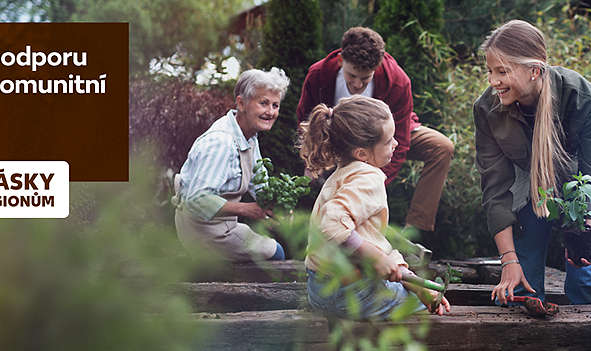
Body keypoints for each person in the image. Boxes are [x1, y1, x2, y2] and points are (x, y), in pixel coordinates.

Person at [474, 20, 591, 305]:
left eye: (502, 71)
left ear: (534, 71)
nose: (493, 81)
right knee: (520, 291)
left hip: (583, 190)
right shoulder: (487, 109)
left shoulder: (580, 97)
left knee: (587, 285)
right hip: (528, 189)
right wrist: (509, 261)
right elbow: (495, 190)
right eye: (490, 71)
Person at [297, 27, 454, 246]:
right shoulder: (319, 74)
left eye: (365, 78)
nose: (357, 85)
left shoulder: (398, 81)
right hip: (340, 137)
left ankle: (414, 232)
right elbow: (307, 120)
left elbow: (400, 142)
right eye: (352, 76)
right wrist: (313, 162)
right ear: (341, 59)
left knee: (442, 147)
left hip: (387, 136)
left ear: (377, 67)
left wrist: (373, 182)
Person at [300, 95, 451, 320]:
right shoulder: (368, 177)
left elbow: (370, 240)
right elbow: (332, 225)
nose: (396, 144)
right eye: (389, 141)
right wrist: (376, 258)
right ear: (362, 153)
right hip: (349, 294)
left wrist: (411, 279)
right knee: (420, 307)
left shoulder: (342, 175)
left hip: (319, 289)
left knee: (413, 290)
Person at [173, 68, 289, 262]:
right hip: (204, 231)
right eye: (263, 103)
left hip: (223, 226)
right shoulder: (221, 142)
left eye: (275, 105)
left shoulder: (249, 137)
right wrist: (247, 209)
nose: (270, 112)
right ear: (241, 103)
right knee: (276, 253)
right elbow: (197, 200)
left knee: (273, 245)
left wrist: (276, 207)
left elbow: (259, 183)